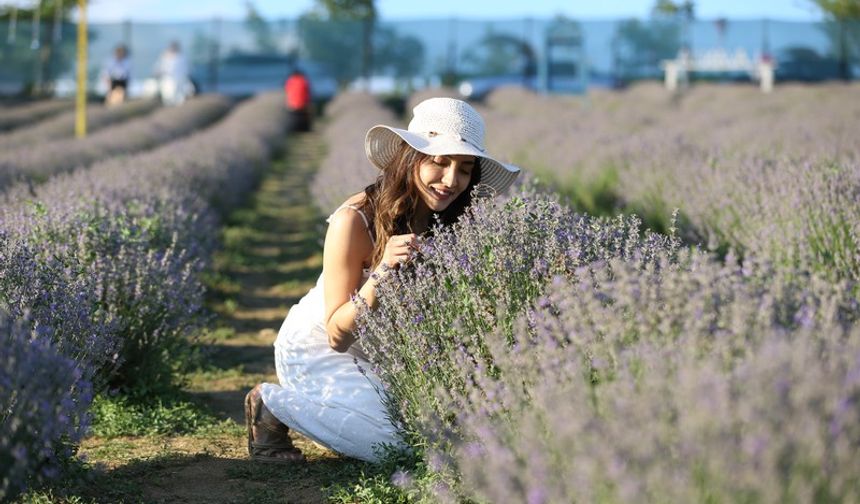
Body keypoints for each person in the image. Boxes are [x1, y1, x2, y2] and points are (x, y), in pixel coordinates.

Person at [244, 97, 521, 463]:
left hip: (387, 356)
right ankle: (272, 405)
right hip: (318, 351)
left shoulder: (455, 224)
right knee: (399, 444)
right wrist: (382, 272)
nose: (452, 180)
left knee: (452, 435)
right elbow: (336, 334)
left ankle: (345, 416)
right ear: (411, 158)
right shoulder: (354, 220)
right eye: (439, 162)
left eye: (465, 169)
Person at [154, 41, 190, 106]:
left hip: (178, 80)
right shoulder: (165, 56)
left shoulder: (181, 57)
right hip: (167, 80)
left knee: (177, 98)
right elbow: (160, 67)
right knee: (167, 96)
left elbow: (184, 70)